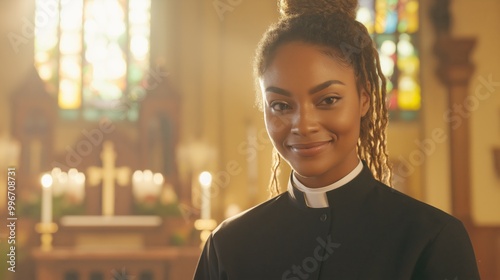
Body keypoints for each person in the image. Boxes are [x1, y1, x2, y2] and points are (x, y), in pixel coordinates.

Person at [193, 0, 480, 279]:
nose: (303, 125)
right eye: (281, 105)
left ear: (364, 99)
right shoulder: (228, 245)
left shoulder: (431, 239)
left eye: (328, 100)